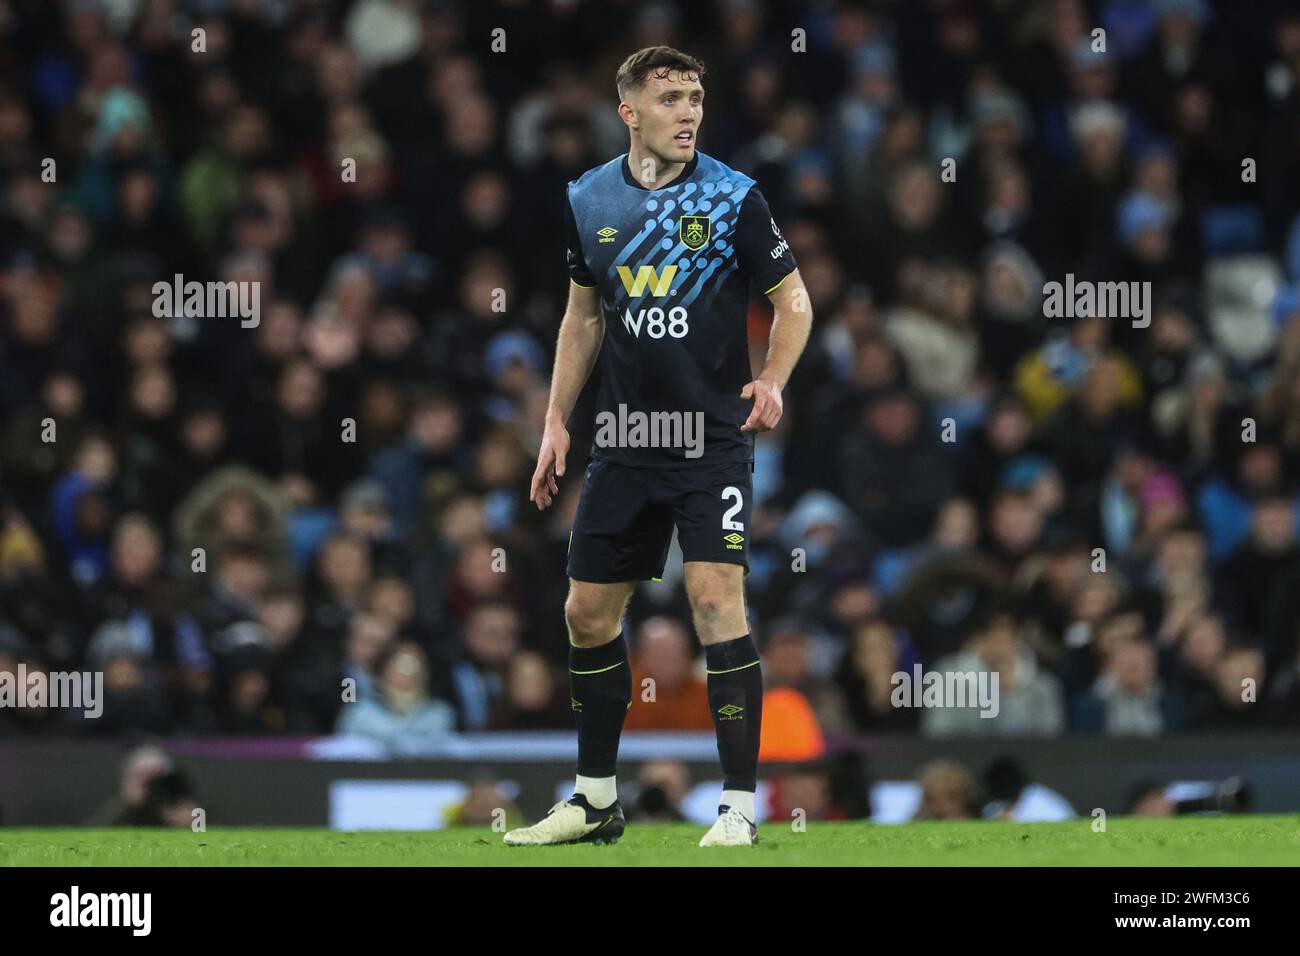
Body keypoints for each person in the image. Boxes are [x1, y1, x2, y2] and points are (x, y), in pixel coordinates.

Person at [505, 46, 812, 849]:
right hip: (626, 443)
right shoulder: (588, 199)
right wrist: (555, 421)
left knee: (715, 603)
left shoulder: (733, 197)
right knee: (585, 613)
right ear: (630, 111)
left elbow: (796, 303)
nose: (689, 112)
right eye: (671, 97)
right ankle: (595, 800)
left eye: (697, 97)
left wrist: (773, 378)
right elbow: (583, 318)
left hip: (712, 442)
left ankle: (738, 806)